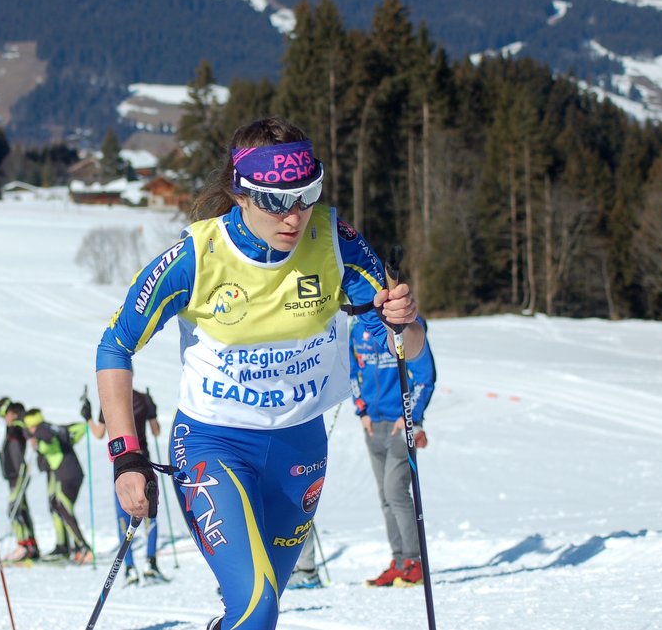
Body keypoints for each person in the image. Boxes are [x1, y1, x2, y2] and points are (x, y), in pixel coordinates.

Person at [95, 116, 424, 630]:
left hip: (299, 449)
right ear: (240, 193)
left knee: (259, 613)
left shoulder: (335, 241)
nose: (294, 216)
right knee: (256, 606)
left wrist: (405, 320)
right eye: (275, 201)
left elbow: (407, 342)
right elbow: (115, 346)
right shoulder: (196, 256)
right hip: (212, 444)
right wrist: (126, 455)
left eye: (307, 194)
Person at [350, 318, 436, 587]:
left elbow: (424, 377)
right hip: (373, 425)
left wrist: (411, 415)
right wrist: (361, 410)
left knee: (395, 491)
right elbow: (353, 371)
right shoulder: (358, 327)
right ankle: (398, 561)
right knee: (385, 497)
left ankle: (414, 561)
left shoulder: (405, 323)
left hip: (400, 424)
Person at [84, 384, 167, 585]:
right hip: (144, 463)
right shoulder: (143, 398)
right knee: (149, 512)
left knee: (123, 515)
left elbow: (98, 433)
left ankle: (129, 568)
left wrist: (87, 417)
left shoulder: (110, 399)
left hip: (123, 468)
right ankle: (151, 562)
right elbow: (156, 432)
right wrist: (152, 409)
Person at [22, 407, 94, 564]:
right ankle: (65, 547)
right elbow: (78, 429)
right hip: (68, 474)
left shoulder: (42, 431)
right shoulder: (51, 427)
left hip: (67, 475)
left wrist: (38, 445)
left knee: (63, 508)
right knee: (57, 506)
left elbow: (49, 443)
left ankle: (83, 548)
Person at [0, 399, 39, 562]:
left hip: (19, 475)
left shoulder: (17, 427)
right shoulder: (11, 428)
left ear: (14, 414)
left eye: (8, 414)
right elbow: (9, 452)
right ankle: (31, 546)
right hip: (12, 475)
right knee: (21, 510)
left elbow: (26, 431)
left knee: (13, 509)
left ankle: (23, 546)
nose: (5, 417)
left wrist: (32, 438)